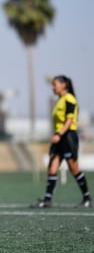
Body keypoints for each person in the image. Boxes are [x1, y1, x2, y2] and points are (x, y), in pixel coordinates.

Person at [31, 75, 92, 208]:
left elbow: (69, 120)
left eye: (55, 84)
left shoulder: (69, 99)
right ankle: (47, 200)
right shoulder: (59, 100)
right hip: (58, 138)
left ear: (64, 85)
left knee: (74, 169)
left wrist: (59, 134)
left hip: (67, 137)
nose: (53, 87)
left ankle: (87, 199)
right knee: (52, 168)